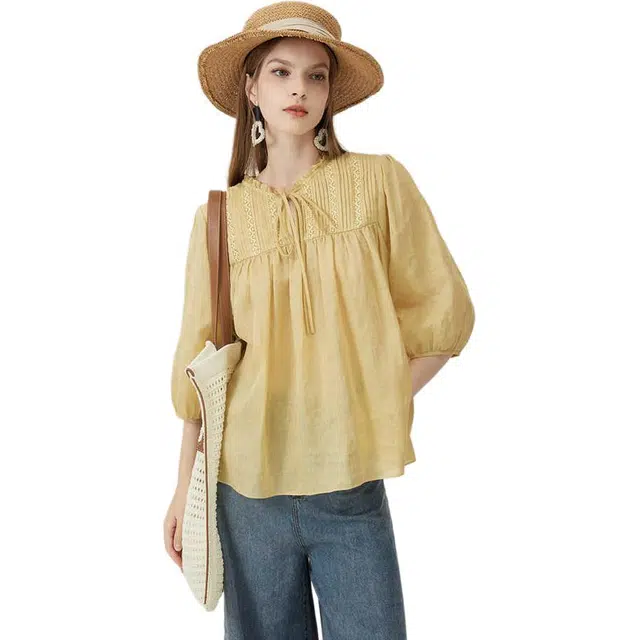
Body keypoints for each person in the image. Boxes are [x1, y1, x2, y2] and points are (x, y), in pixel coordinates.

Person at [164, 2, 476, 638]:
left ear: (331, 93)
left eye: (316, 76)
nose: (299, 89)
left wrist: (371, 401)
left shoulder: (378, 183)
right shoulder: (219, 219)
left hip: (348, 482)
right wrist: (179, 489)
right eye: (280, 72)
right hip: (244, 490)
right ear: (252, 89)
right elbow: (201, 367)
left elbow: (444, 313)